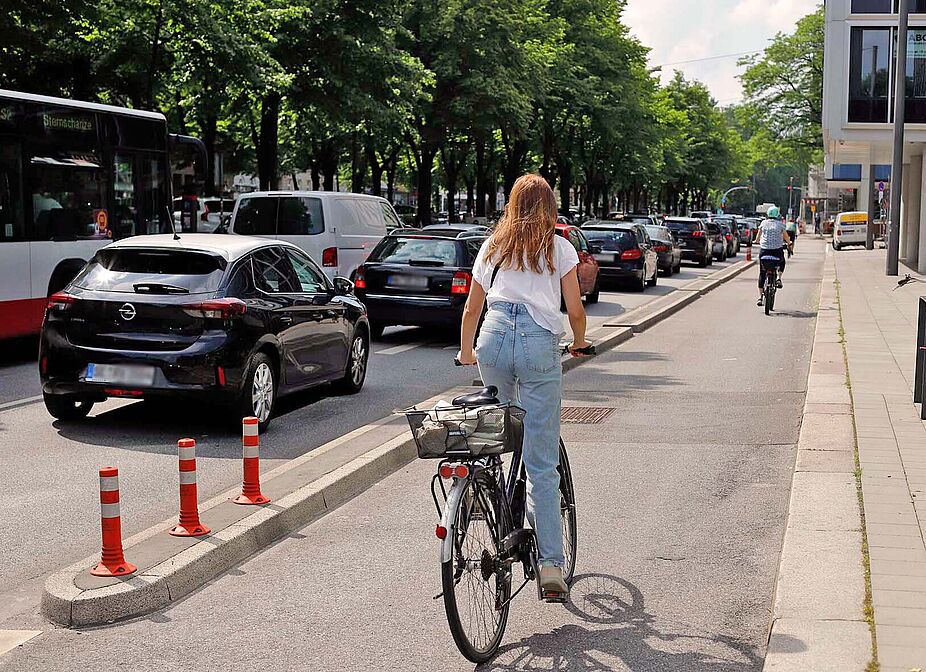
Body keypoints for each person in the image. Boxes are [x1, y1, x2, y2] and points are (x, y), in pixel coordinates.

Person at [457, 174, 591, 602]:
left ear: (511, 205)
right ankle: (550, 565)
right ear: (550, 208)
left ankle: (481, 493)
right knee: (541, 462)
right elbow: (575, 310)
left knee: (494, 427)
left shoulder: (492, 246)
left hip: (493, 338)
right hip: (538, 344)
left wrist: (467, 352)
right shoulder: (559, 248)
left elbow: (472, 308)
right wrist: (579, 341)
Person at [755, 206, 791, 306]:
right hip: (776, 251)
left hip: (764, 251)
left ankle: (760, 297)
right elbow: (786, 237)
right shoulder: (780, 225)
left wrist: (756, 241)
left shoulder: (763, 223)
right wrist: (789, 243)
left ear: (768, 214)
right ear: (777, 215)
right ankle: (779, 278)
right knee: (782, 261)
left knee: (762, 273)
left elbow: (758, 236)